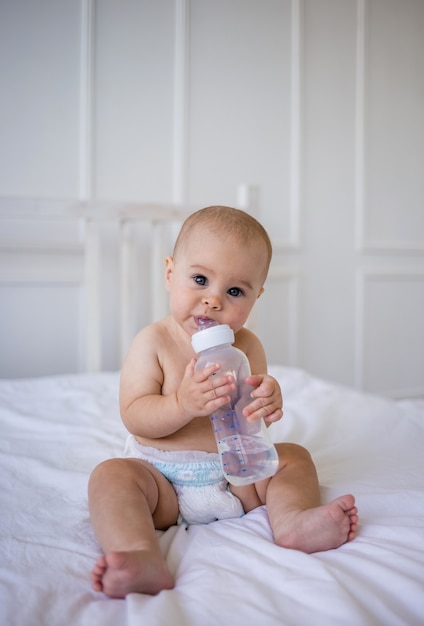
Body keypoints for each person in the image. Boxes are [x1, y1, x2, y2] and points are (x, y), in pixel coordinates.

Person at [88, 205, 358, 598]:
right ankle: (139, 554)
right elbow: (135, 416)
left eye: (234, 291)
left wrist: (267, 400)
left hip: (238, 477)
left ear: (256, 296)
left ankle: (293, 522)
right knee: (111, 476)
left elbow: (254, 421)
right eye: (199, 279)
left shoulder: (247, 346)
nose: (213, 300)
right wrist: (182, 404)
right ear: (169, 273)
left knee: (294, 457)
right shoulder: (154, 342)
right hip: (163, 483)